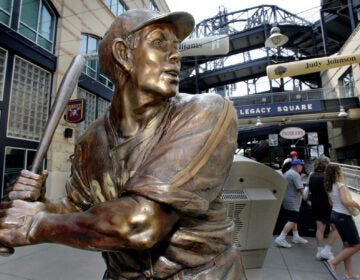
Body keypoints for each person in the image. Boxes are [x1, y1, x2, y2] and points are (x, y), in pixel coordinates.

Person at [0, 9, 245, 280]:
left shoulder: (206, 112)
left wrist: (36, 223)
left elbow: (142, 224)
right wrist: (40, 204)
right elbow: (79, 209)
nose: (176, 56)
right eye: (159, 43)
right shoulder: (91, 141)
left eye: (176, 48)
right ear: (123, 54)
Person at [323, 163, 360, 280]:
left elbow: (331, 203)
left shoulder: (328, 185)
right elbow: (344, 201)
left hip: (335, 214)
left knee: (347, 245)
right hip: (344, 216)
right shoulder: (340, 185)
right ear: (337, 172)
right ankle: (333, 262)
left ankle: (349, 274)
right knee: (357, 245)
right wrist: (356, 204)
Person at [308, 155, 338, 260]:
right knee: (336, 228)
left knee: (320, 229)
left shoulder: (311, 175)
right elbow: (329, 194)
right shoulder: (326, 177)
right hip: (327, 206)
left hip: (316, 204)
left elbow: (310, 191)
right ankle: (327, 250)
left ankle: (319, 252)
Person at [275, 159, 308, 248]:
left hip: (287, 199)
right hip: (293, 201)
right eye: (301, 166)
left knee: (293, 219)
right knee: (292, 219)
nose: (302, 167)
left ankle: (296, 236)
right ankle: (281, 238)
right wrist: (308, 198)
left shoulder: (288, 173)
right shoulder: (295, 175)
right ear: (297, 166)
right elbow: (301, 189)